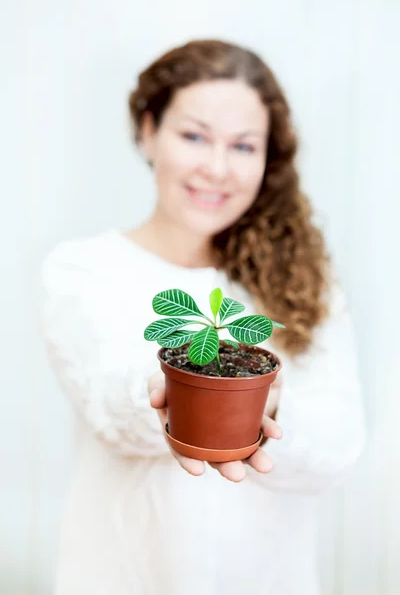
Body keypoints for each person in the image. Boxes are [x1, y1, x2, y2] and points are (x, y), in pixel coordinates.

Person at [41, 39, 366, 595]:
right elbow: (110, 410)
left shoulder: (304, 282)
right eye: (193, 136)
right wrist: (169, 395)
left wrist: (273, 404)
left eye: (243, 146)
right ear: (148, 131)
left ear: (268, 159)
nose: (216, 168)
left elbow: (340, 448)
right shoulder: (82, 269)